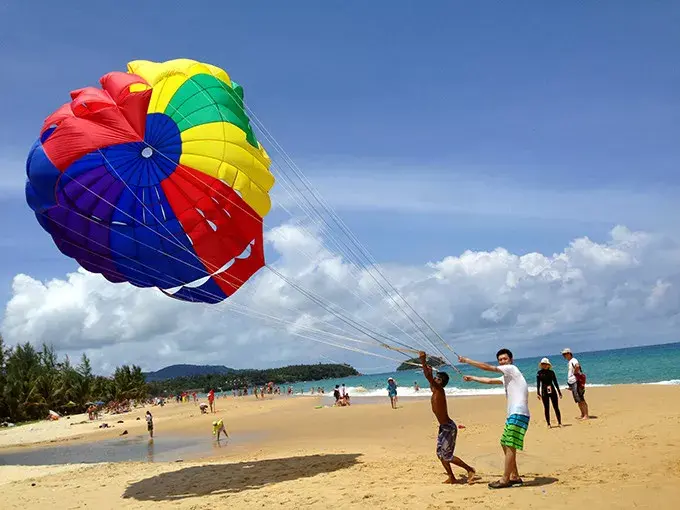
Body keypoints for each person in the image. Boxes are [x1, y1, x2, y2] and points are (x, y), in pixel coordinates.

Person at [459, 349, 530, 489]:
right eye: (500, 360)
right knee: (505, 443)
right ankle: (514, 476)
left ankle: (505, 480)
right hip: (513, 414)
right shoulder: (506, 376)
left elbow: (488, 368)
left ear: (511, 360)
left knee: (509, 444)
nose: (503, 362)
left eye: (505, 359)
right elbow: (489, 380)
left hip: (518, 413)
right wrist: (473, 378)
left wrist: (467, 360)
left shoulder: (512, 369)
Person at [419, 351, 478, 485]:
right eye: (436, 378)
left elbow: (429, 377)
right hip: (443, 427)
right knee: (440, 455)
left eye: (439, 379)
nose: (436, 380)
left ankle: (470, 469)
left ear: (442, 383)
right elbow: (429, 377)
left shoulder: (439, 390)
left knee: (447, 455)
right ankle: (452, 477)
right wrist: (426, 367)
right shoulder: (435, 389)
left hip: (448, 428)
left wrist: (422, 361)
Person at [561, 348, 589, 420]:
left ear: (569, 354)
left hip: (576, 381)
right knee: (578, 399)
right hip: (573, 382)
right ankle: (582, 414)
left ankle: (586, 415)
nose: (564, 356)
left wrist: (575, 373)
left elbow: (577, 366)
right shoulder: (570, 361)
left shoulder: (573, 360)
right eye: (563, 354)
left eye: (565, 354)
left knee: (581, 398)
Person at [536, 357, 562, 428]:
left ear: (548, 365)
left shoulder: (551, 372)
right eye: (543, 364)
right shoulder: (539, 373)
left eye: (545, 364)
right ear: (541, 365)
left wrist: (559, 392)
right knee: (546, 408)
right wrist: (538, 393)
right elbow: (538, 384)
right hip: (544, 391)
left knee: (556, 407)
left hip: (552, 390)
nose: (544, 365)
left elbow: (555, 382)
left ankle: (559, 423)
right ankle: (548, 424)